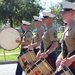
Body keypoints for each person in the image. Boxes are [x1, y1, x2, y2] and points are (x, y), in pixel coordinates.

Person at [56, 1, 75, 74]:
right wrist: (60, 57)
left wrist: (71, 59)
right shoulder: (67, 28)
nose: (62, 14)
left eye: (65, 12)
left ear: (72, 14)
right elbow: (65, 47)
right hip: (68, 65)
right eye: (62, 12)